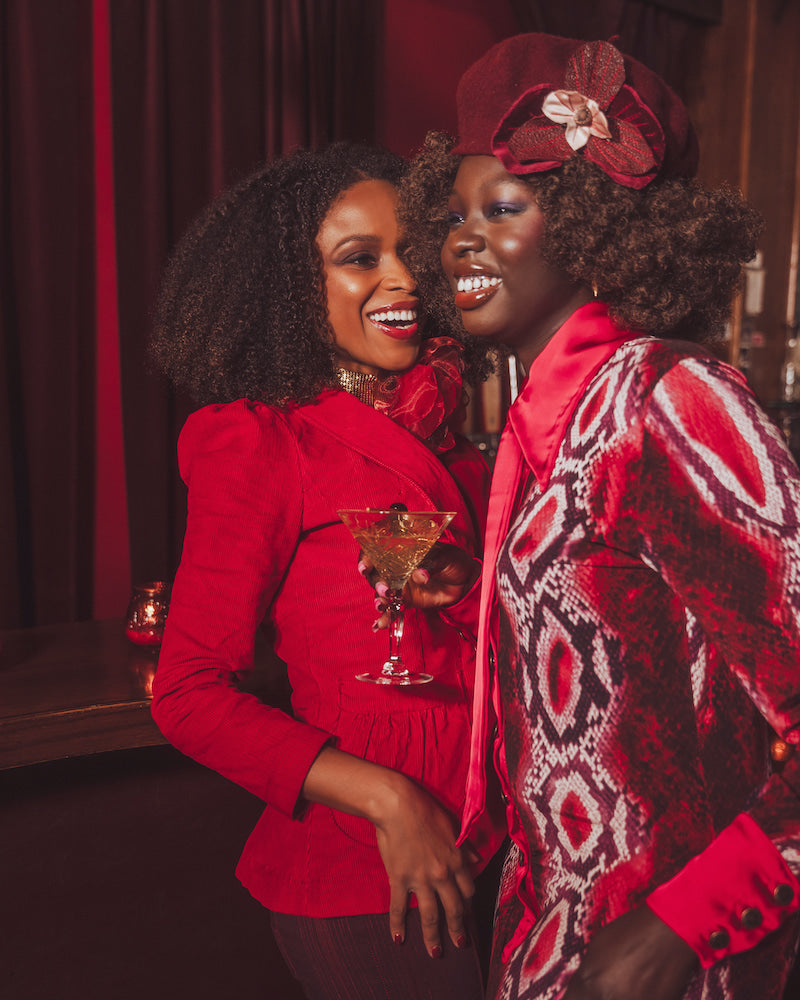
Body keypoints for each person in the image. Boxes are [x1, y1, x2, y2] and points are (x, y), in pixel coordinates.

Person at [398, 32, 800, 1000]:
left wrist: (684, 923)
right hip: (549, 929)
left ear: (593, 228)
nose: (460, 239)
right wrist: (485, 594)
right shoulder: (554, 416)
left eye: (502, 208)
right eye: (453, 216)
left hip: (669, 957)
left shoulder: (670, 399)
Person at [148, 142, 505, 1000]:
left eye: (410, 252)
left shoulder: (449, 437)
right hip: (369, 866)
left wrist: (460, 592)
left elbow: (493, 647)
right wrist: (386, 799)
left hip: (495, 836)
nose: (403, 279)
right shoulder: (260, 438)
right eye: (359, 258)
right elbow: (188, 694)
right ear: (293, 289)